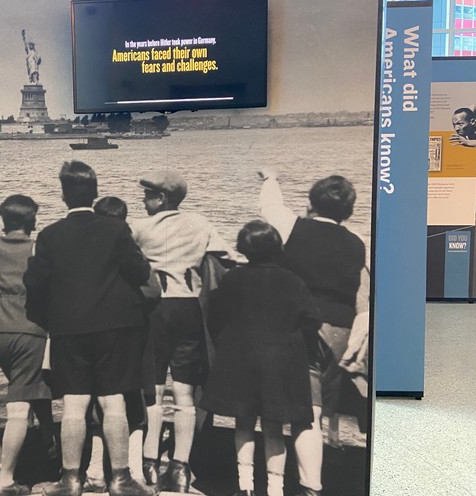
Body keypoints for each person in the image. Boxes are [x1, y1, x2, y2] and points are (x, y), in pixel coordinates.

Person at [24, 162, 155, 496]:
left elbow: (35, 284)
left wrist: (50, 320)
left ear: (63, 194)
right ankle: (121, 480)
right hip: (116, 327)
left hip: (69, 329)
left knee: (74, 404)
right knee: (113, 402)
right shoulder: (115, 230)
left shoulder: (49, 235)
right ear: (94, 193)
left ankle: (70, 481)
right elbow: (140, 273)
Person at [258, 169, 369, 496]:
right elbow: (361, 294)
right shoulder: (358, 242)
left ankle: (307, 487)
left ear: (311, 202)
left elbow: (269, 206)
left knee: (302, 414)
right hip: (342, 333)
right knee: (318, 412)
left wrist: (272, 178)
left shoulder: (294, 227)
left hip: (304, 328)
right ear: (348, 211)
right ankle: (313, 479)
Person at [129, 169, 234, 493]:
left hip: (156, 311)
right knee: (185, 395)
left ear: (161, 198)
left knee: (154, 390)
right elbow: (227, 258)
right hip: (189, 308)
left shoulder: (140, 228)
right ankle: (180, 468)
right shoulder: (201, 224)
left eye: (148, 195)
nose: (144, 200)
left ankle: (149, 464)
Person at [200, 220, 321, 496]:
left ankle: (245, 487)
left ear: (244, 249)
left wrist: (226, 343)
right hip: (280, 362)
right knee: (274, 427)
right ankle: (275, 489)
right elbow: (312, 320)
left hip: (240, 357)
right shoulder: (294, 281)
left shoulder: (233, 278)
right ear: (277, 247)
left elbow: (215, 314)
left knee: (242, 422)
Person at [82, 197, 160, 492]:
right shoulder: (131, 251)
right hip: (132, 335)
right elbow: (153, 292)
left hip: (91, 336)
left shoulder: (84, 253)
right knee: (135, 402)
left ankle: (94, 472)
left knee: (95, 404)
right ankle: (135, 472)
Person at [0, 195, 56, 496]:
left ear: (3, 219)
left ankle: (52, 449)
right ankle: (5, 481)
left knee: (29, 387)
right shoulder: (37, 249)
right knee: (19, 405)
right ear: (32, 221)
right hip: (29, 329)